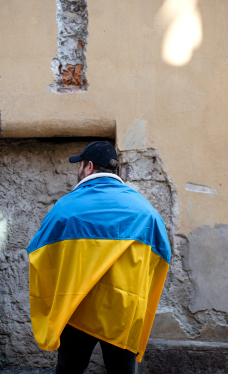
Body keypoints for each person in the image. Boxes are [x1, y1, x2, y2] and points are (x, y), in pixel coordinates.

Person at [27, 141, 171, 374]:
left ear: (89, 167)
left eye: (80, 165)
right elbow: (161, 258)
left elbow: (39, 254)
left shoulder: (65, 208)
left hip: (76, 309)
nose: (78, 170)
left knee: (68, 371)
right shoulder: (145, 212)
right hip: (124, 311)